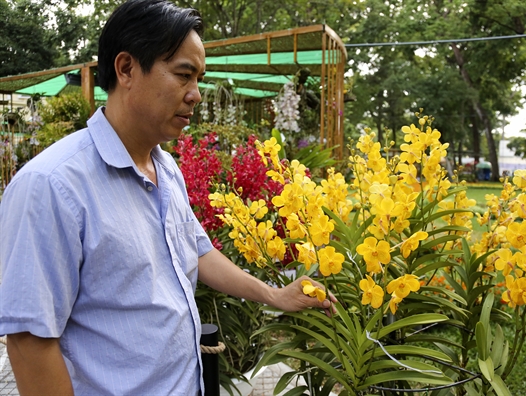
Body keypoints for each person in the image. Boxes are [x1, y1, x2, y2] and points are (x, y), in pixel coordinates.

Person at [0, 1, 333, 395]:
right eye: (182, 75)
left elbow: (197, 250)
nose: (195, 95)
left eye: (198, 79)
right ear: (126, 69)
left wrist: (274, 295)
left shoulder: (166, 168)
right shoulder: (52, 186)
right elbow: (29, 341)